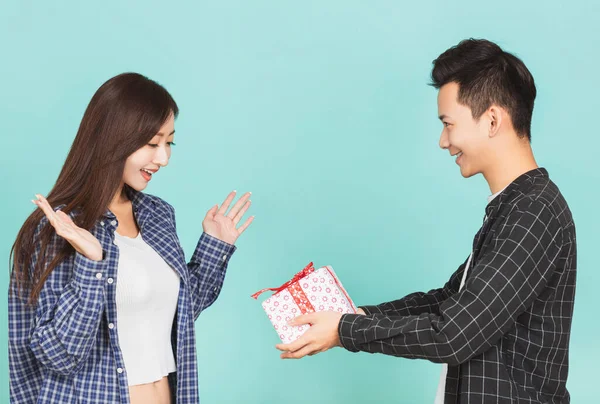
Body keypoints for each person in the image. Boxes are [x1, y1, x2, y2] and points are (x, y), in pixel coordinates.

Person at [275, 39, 577, 404]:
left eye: (449, 124)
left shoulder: (533, 213)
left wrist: (345, 329)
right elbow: (447, 302)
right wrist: (353, 315)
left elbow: (455, 332)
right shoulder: (512, 210)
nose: (443, 141)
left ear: (493, 119)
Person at [9, 72, 254, 404]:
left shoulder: (158, 215)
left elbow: (175, 313)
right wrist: (91, 263)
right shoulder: (60, 227)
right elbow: (58, 356)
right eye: (152, 143)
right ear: (113, 139)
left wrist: (215, 247)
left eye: (169, 142)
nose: (163, 158)